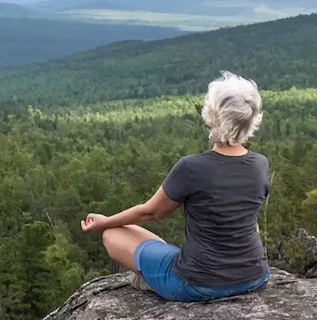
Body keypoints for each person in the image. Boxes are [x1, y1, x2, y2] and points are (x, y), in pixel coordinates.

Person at [81, 71, 270, 302]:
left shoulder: (191, 167)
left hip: (196, 284)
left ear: (211, 116)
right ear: (251, 119)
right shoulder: (260, 164)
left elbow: (150, 212)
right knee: (147, 239)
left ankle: (151, 278)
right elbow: (251, 222)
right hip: (255, 277)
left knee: (113, 235)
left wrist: (104, 221)